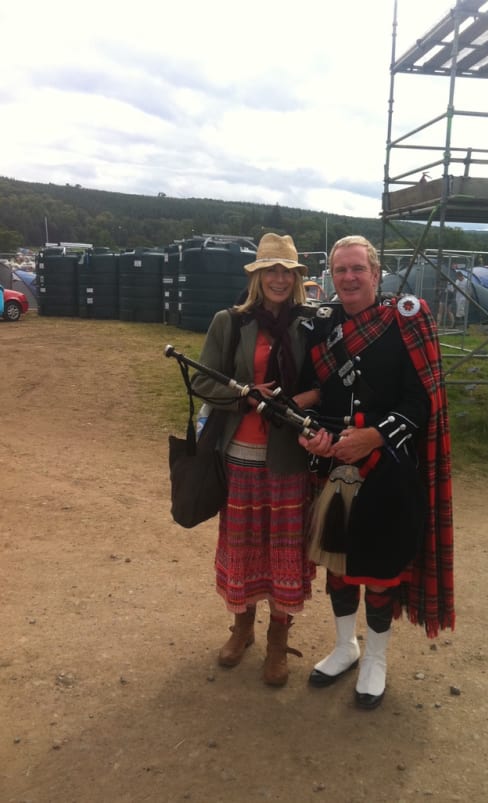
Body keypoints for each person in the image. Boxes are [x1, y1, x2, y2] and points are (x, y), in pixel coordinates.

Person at [299, 235, 454, 710]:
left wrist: (375, 436)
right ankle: (346, 646)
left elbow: (422, 400)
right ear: (331, 275)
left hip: (388, 467)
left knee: (382, 571)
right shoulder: (322, 324)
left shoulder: (405, 320)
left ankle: (376, 659)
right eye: (340, 270)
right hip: (334, 464)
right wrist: (313, 434)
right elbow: (314, 393)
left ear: (375, 273)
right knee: (339, 565)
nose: (348, 278)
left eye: (357, 269)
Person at [192, 233, 319, 687]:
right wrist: (246, 396)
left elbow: (326, 382)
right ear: (258, 277)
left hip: (290, 457)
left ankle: (277, 641)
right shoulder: (230, 322)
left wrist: (297, 401)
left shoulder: (311, 324)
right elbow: (202, 382)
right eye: (271, 271)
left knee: (285, 549)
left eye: (286, 272)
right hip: (240, 454)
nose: (279, 279)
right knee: (244, 546)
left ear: (296, 278)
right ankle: (242, 628)